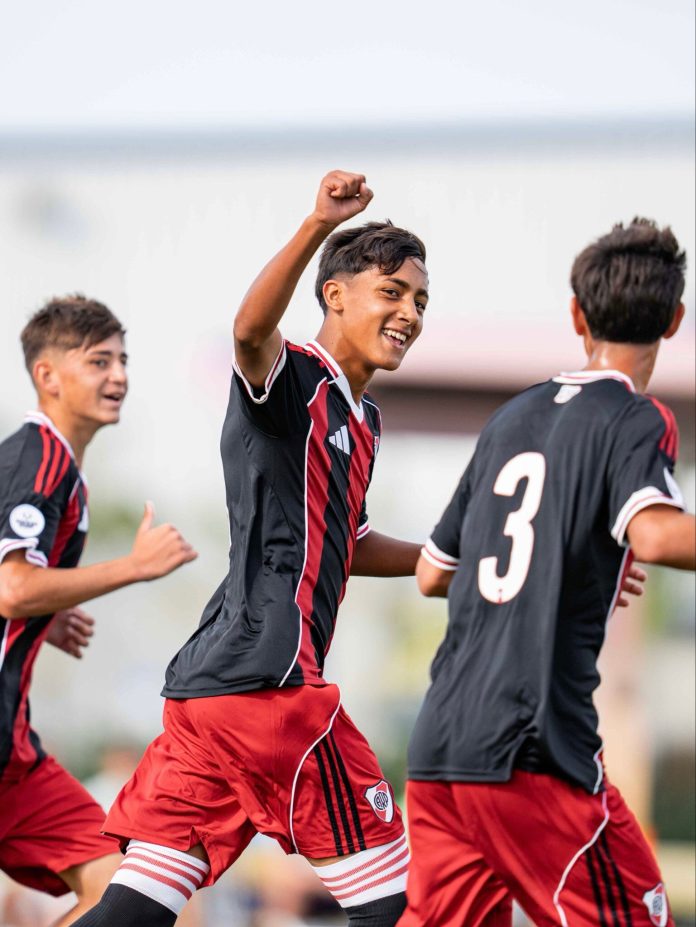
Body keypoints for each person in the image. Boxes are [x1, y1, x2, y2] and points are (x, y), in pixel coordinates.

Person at [72, 171, 429, 927]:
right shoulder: (293, 375)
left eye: (420, 300)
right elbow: (246, 331)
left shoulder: (362, 417)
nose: (409, 312)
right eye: (392, 292)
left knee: (134, 907)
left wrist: (450, 561)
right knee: (401, 904)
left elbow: (350, 541)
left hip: (207, 696)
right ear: (335, 296)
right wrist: (315, 223)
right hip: (272, 689)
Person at [399, 218, 694, 927]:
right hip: (527, 746)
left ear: (577, 314)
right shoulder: (636, 417)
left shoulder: (513, 415)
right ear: (676, 320)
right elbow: (652, 534)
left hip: (441, 746)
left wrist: (566, 558)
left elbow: (433, 574)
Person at [0, 295, 198, 927]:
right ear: (48, 375)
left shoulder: (63, 471)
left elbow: (13, 591)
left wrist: (39, 614)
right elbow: (12, 586)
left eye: (123, 360)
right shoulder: (40, 456)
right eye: (98, 361)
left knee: (125, 887)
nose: (119, 376)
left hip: (12, 752)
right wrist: (134, 566)